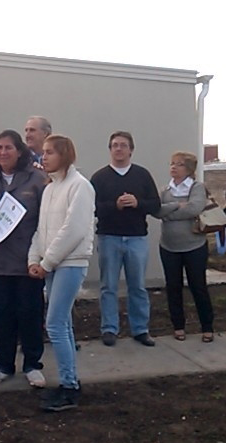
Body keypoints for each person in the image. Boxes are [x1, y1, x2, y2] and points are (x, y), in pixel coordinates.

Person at [0, 130, 47, 388]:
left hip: (29, 262)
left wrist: (43, 256)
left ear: (19, 151)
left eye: (8, 148)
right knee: (3, 315)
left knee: (30, 313)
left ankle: (32, 365)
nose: (3, 152)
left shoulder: (37, 179)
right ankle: (4, 365)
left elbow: (46, 221)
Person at [29, 134, 94, 412]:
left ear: (64, 155)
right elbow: (41, 230)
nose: (44, 157)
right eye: (43, 152)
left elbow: (74, 230)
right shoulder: (49, 188)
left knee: (54, 324)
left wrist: (48, 262)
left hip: (71, 263)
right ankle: (70, 382)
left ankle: (69, 387)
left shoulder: (80, 186)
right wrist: (36, 257)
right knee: (62, 324)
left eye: (50, 152)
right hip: (54, 264)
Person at [90, 131, 161, 347]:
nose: (119, 149)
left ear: (131, 149)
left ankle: (140, 329)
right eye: (114, 145)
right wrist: (115, 205)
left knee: (137, 286)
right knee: (108, 286)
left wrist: (138, 202)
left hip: (136, 238)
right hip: (108, 237)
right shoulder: (100, 177)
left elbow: (156, 205)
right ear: (110, 149)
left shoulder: (142, 175)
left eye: (123, 145)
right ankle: (109, 329)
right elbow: (92, 208)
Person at [153, 152, 214, 342]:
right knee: (173, 287)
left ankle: (207, 326)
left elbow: (194, 208)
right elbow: (156, 210)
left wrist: (169, 211)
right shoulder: (165, 190)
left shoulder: (197, 188)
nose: (173, 167)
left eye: (179, 164)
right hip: (169, 246)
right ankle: (178, 326)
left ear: (188, 169)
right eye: (172, 164)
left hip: (194, 246)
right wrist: (177, 206)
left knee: (198, 286)